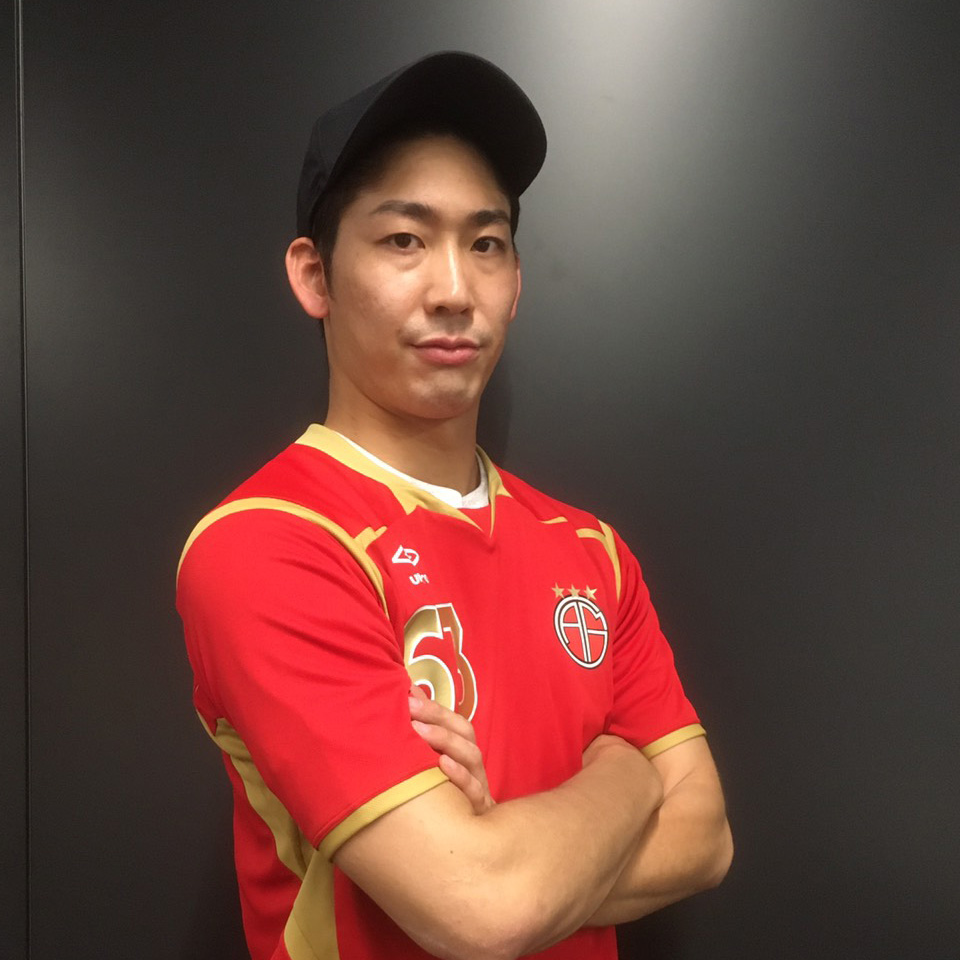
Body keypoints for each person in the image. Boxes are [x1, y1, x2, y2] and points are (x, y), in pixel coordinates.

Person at [177, 51, 732, 960]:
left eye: (486, 243)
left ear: (516, 283)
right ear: (315, 277)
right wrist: (627, 774)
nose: (453, 291)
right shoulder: (269, 542)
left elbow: (706, 836)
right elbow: (480, 907)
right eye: (404, 239)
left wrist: (507, 857)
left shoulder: (591, 549)